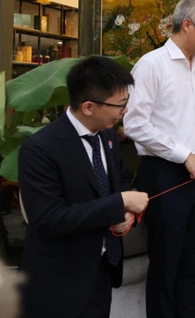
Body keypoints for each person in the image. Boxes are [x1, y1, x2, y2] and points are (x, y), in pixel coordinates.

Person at [18, 56, 149, 318]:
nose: (123, 111)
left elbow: (119, 182)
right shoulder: (40, 150)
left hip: (101, 269)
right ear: (88, 106)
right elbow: (48, 219)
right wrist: (119, 203)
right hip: (59, 280)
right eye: (119, 105)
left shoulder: (108, 134)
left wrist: (127, 216)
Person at [124, 0, 195, 318]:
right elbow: (135, 124)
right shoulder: (152, 65)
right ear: (187, 24)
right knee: (167, 260)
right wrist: (184, 156)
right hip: (164, 172)